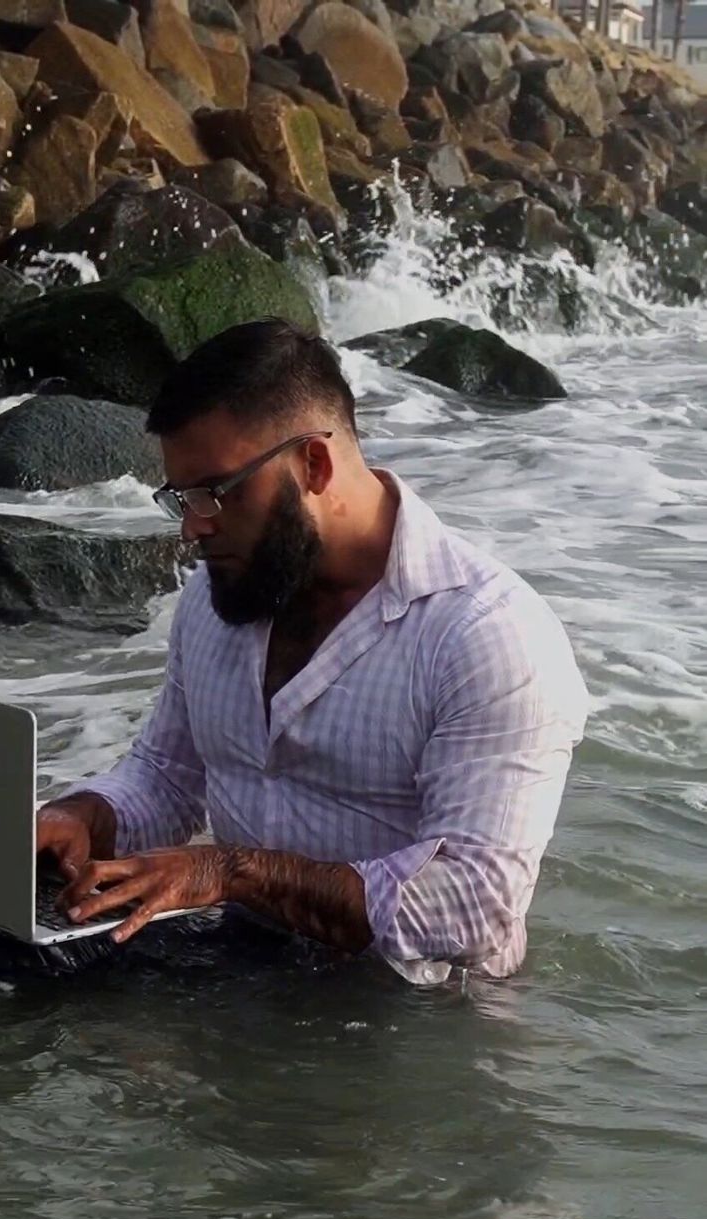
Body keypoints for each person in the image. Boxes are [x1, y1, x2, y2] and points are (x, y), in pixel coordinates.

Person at [36, 319, 588, 986]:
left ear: (314, 466)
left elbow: (476, 908)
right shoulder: (224, 592)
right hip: (244, 963)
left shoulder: (485, 636)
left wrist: (230, 873)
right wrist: (84, 818)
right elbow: (166, 776)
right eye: (180, 498)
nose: (192, 528)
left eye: (215, 493)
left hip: (411, 1013)